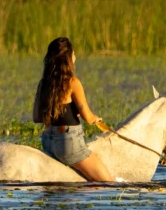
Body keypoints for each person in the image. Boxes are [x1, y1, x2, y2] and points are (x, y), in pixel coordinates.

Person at [32, 37, 115, 182]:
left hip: (48, 143)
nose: (75, 56)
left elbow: (36, 118)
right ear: (68, 58)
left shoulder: (43, 84)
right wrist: (96, 118)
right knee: (108, 182)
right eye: (73, 53)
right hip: (68, 144)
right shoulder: (73, 83)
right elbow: (88, 118)